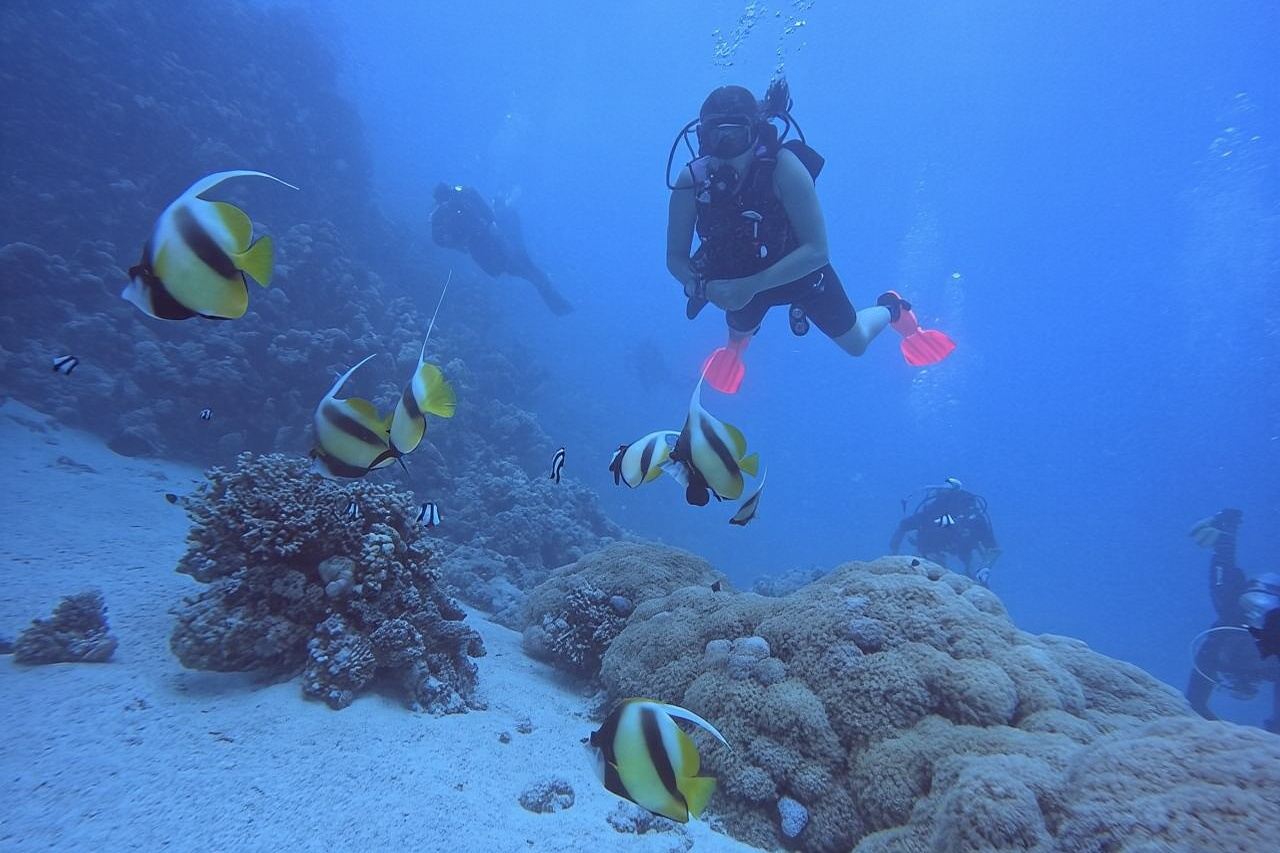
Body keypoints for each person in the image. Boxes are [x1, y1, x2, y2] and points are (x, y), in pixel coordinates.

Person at [664, 78, 954, 393]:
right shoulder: (691, 180)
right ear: (701, 137)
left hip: (799, 272)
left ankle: (893, 309)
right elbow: (675, 257)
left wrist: (747, 287)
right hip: (738, 277)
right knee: (738, 331)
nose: (725, 150)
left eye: (735, 136)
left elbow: (817, 251)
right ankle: (734, 351)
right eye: (715, 136)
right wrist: (702, 287)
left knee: (856, 343)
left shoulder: (783, 167)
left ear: (755, 132)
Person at [1185, 508, 1280, 733]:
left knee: (1226, 594)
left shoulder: (1225, 624)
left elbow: (1193, 703)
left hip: (1232, 613)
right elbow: (1194, 704)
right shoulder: (1218, 639)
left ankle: (1227, 526)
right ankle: (1227, 526)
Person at [430, 183, 573, 316]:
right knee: (522, 268)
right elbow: (489, 214)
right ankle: (547, 288)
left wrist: (458, 243)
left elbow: (441, 239)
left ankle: (546, 287)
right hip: (490, 242)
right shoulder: (461, 198)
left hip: (487, 244)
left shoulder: (449, 207)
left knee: (520, 268)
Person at [889, 478, 1000, 585]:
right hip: (933, 555)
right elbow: (993, 549)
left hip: (943, 556)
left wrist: (893, 554)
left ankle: (970, 575)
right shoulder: (973, 519)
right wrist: (985, 569)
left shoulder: (971, 520)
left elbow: (903, 526)